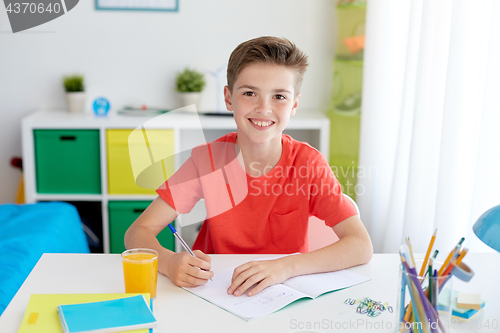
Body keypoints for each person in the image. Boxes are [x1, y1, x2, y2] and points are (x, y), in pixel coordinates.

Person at [125, 36, 373, 298]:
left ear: (295, 104)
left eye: (279, 96)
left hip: (281, 291)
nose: (264, 108)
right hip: (213, 292)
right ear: (228, 98)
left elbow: (360, 245)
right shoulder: (206, 161)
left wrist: (285, 266)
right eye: (249, 93)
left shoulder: (308, 164)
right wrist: (167, 261)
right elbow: (136, 233)